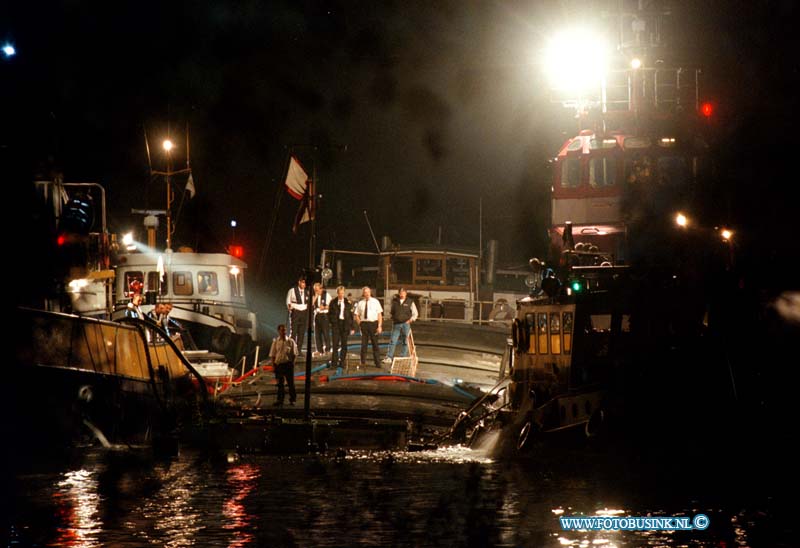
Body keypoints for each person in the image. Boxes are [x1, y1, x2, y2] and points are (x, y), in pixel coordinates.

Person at [383, 287, 418, 364]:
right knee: (393, 341)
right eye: (400, 292)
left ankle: (403, 357)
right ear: (399, 293)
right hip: (396, 324)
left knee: (405, 341)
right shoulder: (395, 301)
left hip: (406, 324)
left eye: (403, 292)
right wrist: (393, 318)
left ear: (406, 293)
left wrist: (411, 320)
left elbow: (415, 313)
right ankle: (389, 357)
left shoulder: (410, 302)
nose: (402, 294)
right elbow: (391, 311)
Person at [353, 286, 383, 368]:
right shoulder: (360, 303)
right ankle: (362, 362)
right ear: (363, 294)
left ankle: (377, 363)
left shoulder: (376, 302)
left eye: (368, 292)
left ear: (370, 292)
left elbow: (379, 315)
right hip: (364, 325)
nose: (367, 294)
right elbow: (356, 315)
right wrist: (360, 324)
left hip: (373, 324)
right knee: (363, 345)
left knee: (375, 345)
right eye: (365, 292)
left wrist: (379, 326)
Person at [268, 324, 298, 406]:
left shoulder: (290, 341)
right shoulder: (276, 342)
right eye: (282, 330)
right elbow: (273, 355)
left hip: (288, 364)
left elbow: (295, 354)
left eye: (284, 330)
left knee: (291, 383)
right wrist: (273, 366)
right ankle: (280, 400)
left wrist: (292, 364)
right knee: (280, 384)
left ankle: (293, 399)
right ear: (279, 331)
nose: (283, 332)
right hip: (279, 365)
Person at [328, 285, 354, 368]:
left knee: (344, 344)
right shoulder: (333, 302)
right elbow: (329, 314)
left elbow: (351, 316)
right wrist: (332, 322)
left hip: (345, 325)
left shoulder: (348, 303)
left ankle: (342, 362)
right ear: (337, 293)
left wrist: (352, 327)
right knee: (335, 345)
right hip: (336, 325)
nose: (341, 295)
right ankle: (334, 363)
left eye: (343, 293)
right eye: (340, 293)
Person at [285, 276, 309, 354]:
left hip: (303, 312)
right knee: (294, 331)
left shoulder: (306, 292)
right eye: (302, 282)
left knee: (301, 332)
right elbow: (288, 301)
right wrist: (290, 309)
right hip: (295, 312)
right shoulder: (292, 290)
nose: (304, 284)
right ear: (299, 282)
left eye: (305, 283)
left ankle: (299, 350)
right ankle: (292, 349)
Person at [312, 282, 331, 356]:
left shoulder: (327, 295)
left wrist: (324, 307)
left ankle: (328, 349)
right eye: (315, 290)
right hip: (317, 315)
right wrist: (316, 296)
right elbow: (311, 304)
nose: (316, 291)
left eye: (317, 290)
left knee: (326, 333)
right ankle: (319, 350)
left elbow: (331, 306)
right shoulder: (314, 296)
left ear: (321, 289)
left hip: (324, 315)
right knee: (317, 334)